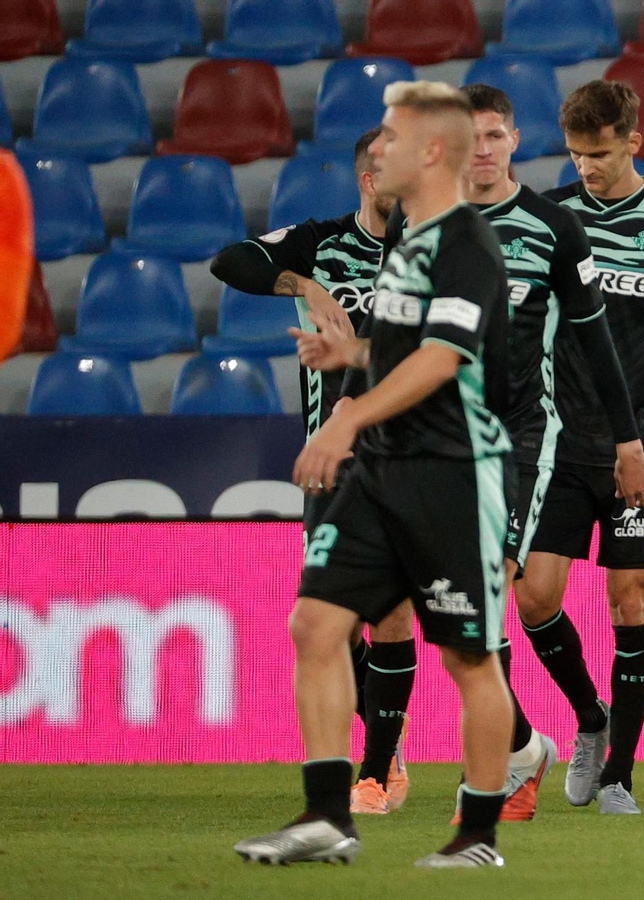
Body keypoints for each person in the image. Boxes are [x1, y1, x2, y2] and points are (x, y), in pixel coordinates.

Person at [234, 81, 517, 868]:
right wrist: (350, 353)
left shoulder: (465, 243)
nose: (376, 152)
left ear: (431, 151)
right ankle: (328, 816)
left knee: (469, 659)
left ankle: (478, 836)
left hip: (452, 473)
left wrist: (347, 417)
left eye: (391, 137)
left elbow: (442, 358)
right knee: (315, 624)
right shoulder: (408, 243)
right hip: (381, 471)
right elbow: (402, 347)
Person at [455, 82, 644, 820]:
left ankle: (538, 769)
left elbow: (598, 342)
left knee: (503, 592)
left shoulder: (552, 227)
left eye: (494, 135)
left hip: (530, 439)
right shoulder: (420, 221)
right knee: (505, 605)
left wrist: (636, 442)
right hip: (442, 441)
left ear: (513, 140)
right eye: (469, 137)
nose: (482, 150)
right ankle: (566, 727)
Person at [515, 79, 644, 815]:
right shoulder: (549, 218)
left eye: (598, 154)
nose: (586, 168)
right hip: (559, 444)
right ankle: (589, 717)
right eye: (576, 154)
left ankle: (619, 775)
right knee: (533, 597)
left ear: (633, 142)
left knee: (631, 599)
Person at [210, 128, 417, 815]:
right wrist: (305, 284)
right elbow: (230, 261)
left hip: (411, 455)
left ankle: (377, 772)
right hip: (333, 460)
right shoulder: (321, 243)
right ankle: (388, 737)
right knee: (330, 621)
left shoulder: (433, 249)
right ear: (369, 180)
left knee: (393, 615)